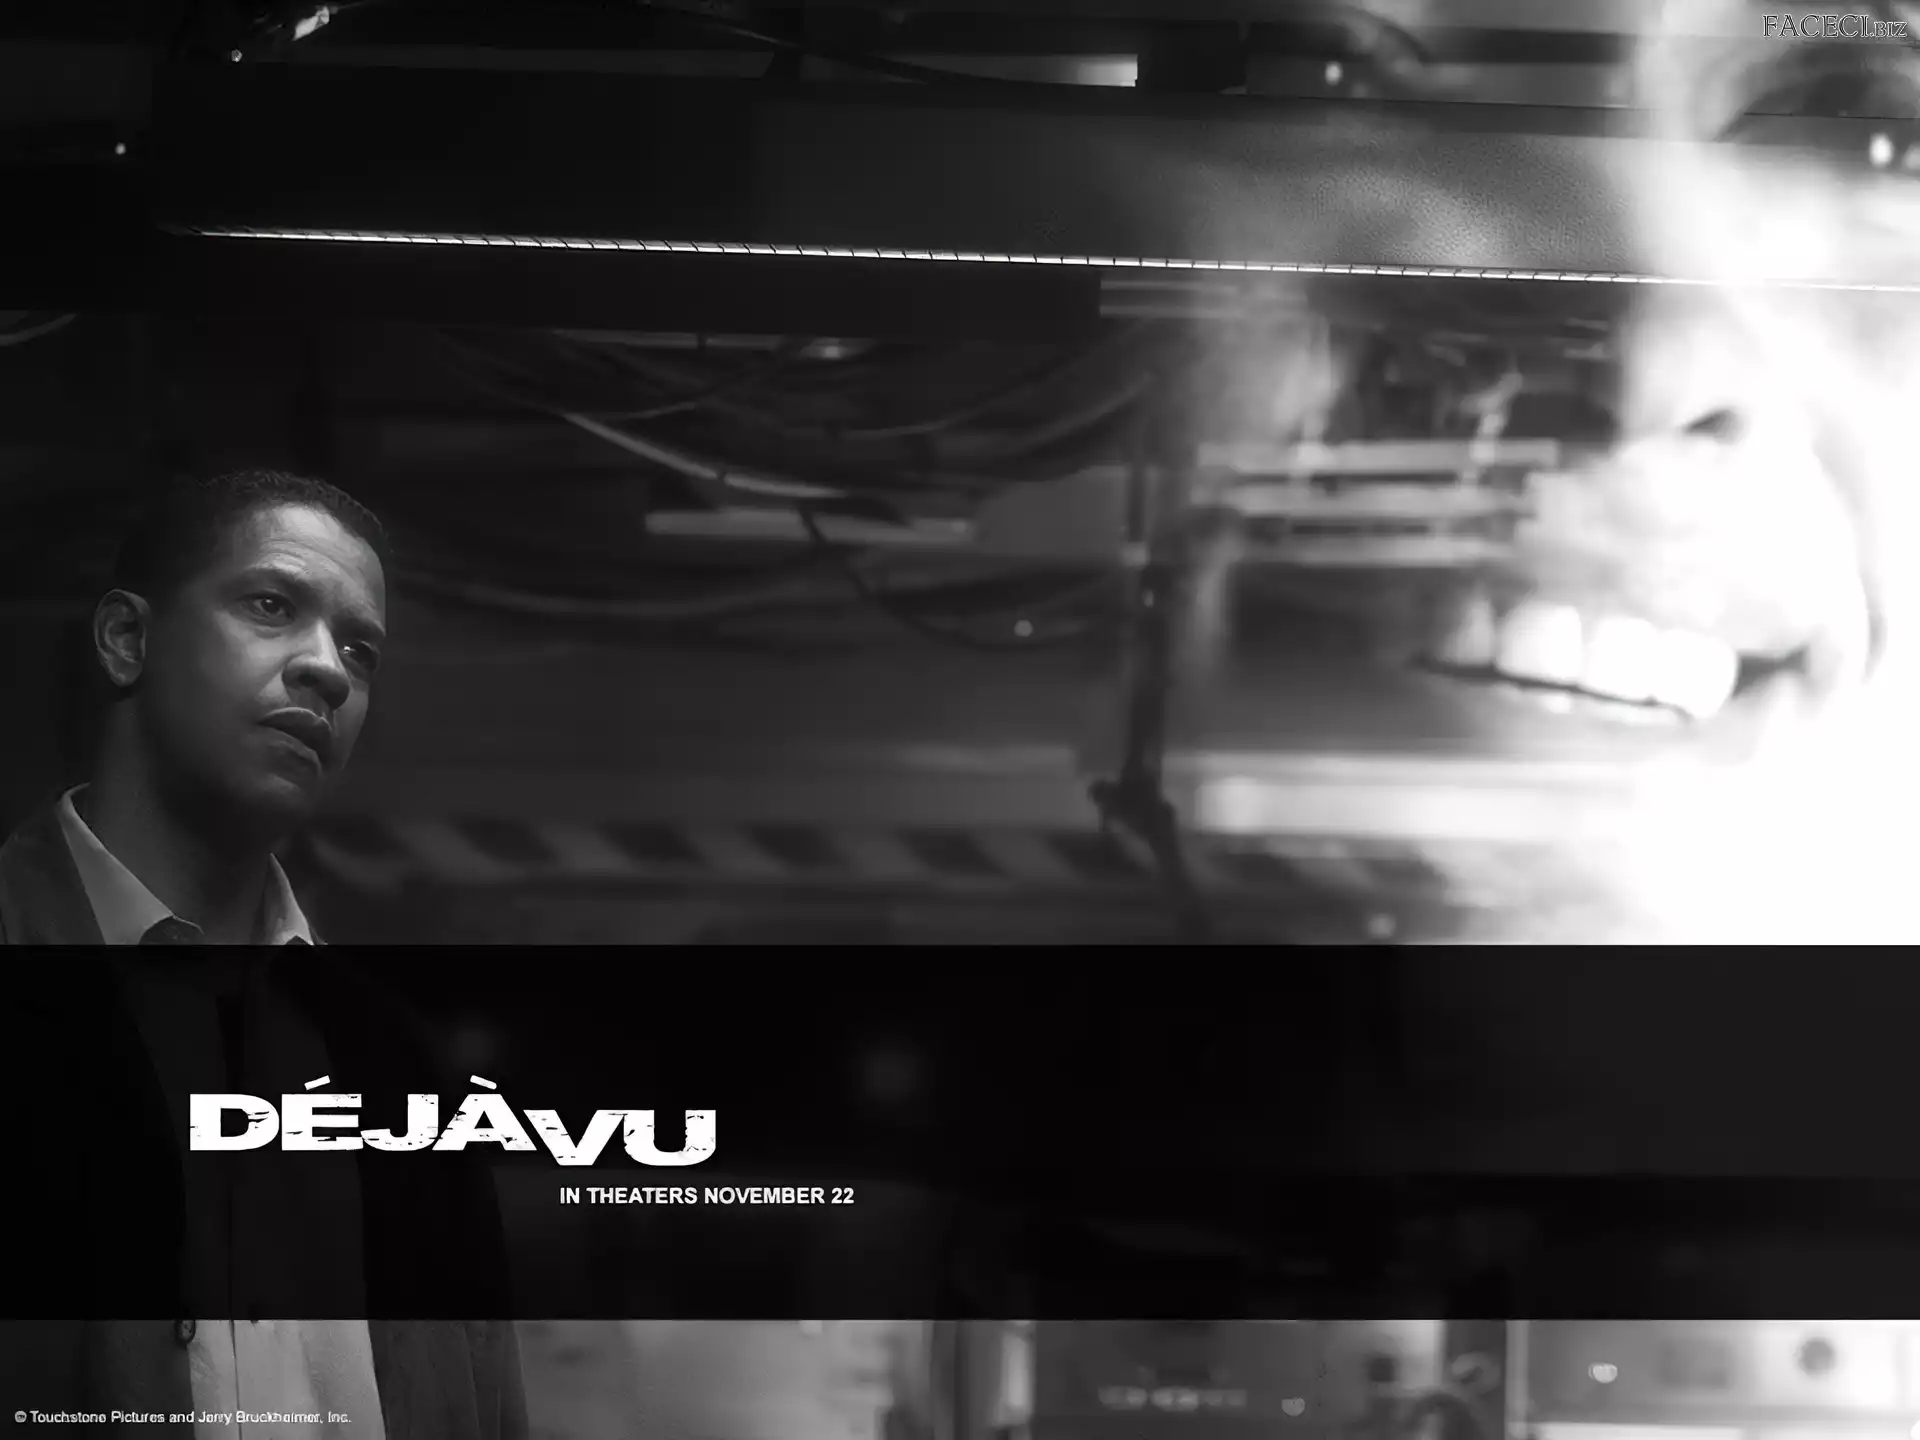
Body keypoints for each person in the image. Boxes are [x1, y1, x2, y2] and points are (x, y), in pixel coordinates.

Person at [0, 470, 527, 1438]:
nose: (328, 669)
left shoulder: (398, 1069)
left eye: (360, 650)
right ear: (128, 639)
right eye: (272, 605)